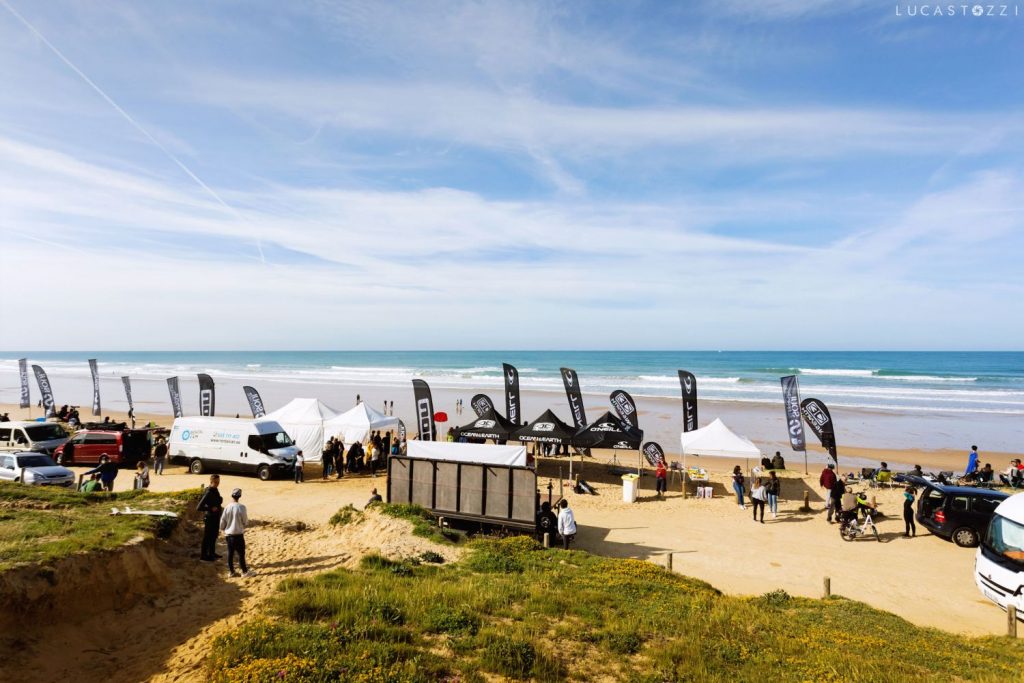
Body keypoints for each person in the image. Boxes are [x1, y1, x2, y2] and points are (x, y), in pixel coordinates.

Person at [220, 488, 253, 577]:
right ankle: (245, 572)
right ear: (240, 496)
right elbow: (245, 521)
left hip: (229, 535)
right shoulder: (242, 507)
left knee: (230, 553)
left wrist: (223, 528)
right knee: (241, 554)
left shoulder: (227, 507)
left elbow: (222, 521)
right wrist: (243, 525)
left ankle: (231, 572)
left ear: (232, 496)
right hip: (238, 534)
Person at [197, 475, 223, 562]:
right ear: (211, 481)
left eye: (218, 482)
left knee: (214, 536)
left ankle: (212, 553)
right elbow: (199, 507)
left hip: (215, 517)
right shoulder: (208, 492)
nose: (217, 484)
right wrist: (210, 509)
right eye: (215, 482)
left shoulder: (215, 490)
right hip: (209, 517)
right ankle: (203, 556)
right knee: (207, 537)